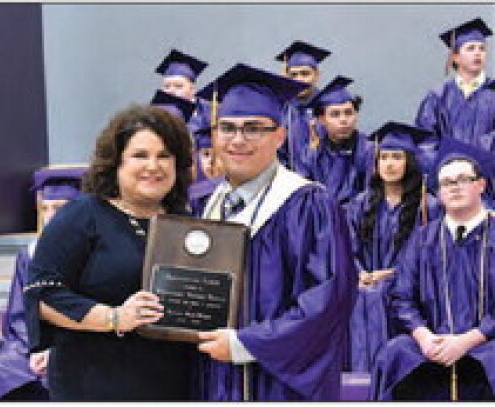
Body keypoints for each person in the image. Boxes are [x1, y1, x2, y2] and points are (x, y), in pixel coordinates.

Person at [192, 63, 358, 401]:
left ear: (279, 136)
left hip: (277, 384)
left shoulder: (309, 205)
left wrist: (245, 344)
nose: (238, 140)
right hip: (213, 379)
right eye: (228, 128)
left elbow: (327, 302)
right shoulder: (203, 206)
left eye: (253, 128)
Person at [23, 105, 196, 400]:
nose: (153, 166)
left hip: (173, 380)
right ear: (115, 163)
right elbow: (43, 295)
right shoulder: (82, 215)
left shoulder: (186, 223)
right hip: (95, 380)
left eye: (164, 155)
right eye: (140, 155)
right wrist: (114, 317)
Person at [370, 142, 495, 400]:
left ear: (480, 185)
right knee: (395, 353)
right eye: (447, 182)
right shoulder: (422, 239)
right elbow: (402, 297)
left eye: (463, 179)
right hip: (431, 345)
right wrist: (425, 337)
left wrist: (468, 340)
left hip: (487, 343)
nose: (455, 187)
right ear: (438, 193)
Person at [0, 165, 86, 401]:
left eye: (58, 208)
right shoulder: (30, 255)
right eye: (44, 208)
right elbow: (19, 315)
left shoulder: (94, 254)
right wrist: (37, 349)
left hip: (80, 347)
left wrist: (57, 352)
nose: (49, 216)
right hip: (31, 345)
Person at [343, 122, 441, 373]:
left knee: (376, 297)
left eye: (396, 157)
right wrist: (360, 273)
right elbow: (347, 247)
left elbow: (429, 256)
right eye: (383, 157)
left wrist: (388, 275)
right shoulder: (361, 204)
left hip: (407, 288)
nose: (389, 164)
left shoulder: (427, 206)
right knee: (362, 297)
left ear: (409, 161)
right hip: (365, 286)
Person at [415, 17, 495, 152]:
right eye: (470, 48)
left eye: (482, 49)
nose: (478, 53)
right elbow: (425, 143)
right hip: (447, 171)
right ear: (455, 57)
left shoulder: (492, 92)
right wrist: (448, 166)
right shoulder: (438, 97)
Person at [296, 76, 374, 204]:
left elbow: (372, 194)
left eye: (349, 113)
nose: (343, 120)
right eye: (335, 114)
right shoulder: (313, 152)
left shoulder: (368, 150)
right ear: (321, 119)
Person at [274, 40, 331, 170]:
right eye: (293, 75)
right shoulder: (282, 109)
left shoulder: (329, 107)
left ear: (317, 75)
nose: (299, 80)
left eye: (305, 74)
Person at [156, 48, 211, 137]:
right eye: (166, 86)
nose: (171, 91)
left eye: (178, 86)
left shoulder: (210, 112)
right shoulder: (156, 114)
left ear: (193, 89)